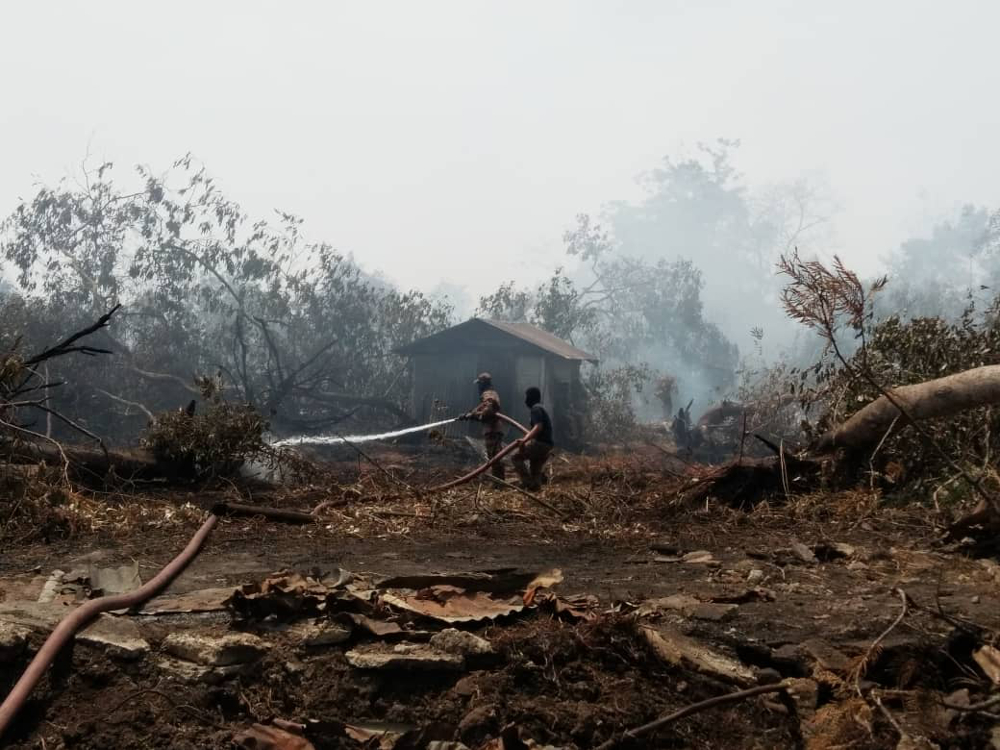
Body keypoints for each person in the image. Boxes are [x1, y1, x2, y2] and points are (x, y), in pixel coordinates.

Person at [461, 372, 506, 480]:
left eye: (479, 384)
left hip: (492, 429)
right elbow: (482, 409)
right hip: (492, 429)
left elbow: (488, 410)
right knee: (494, 456)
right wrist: (469, 414)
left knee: (495, 457)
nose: (478, 387)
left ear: (483, 383)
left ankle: (499, 482)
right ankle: (498, 481)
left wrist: (474, 415)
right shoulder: (489, 394)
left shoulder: (488, 394)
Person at [512, 386, 553, 491]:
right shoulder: (541, 407)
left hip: (541, 443)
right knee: (535, 467)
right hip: (547, 444)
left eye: (526, 397)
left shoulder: (536, 409)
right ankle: (535, 487)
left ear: (531, 397)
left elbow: (538, 426)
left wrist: (524, 440)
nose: (525, 400)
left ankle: (527, 482)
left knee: (515, 457)